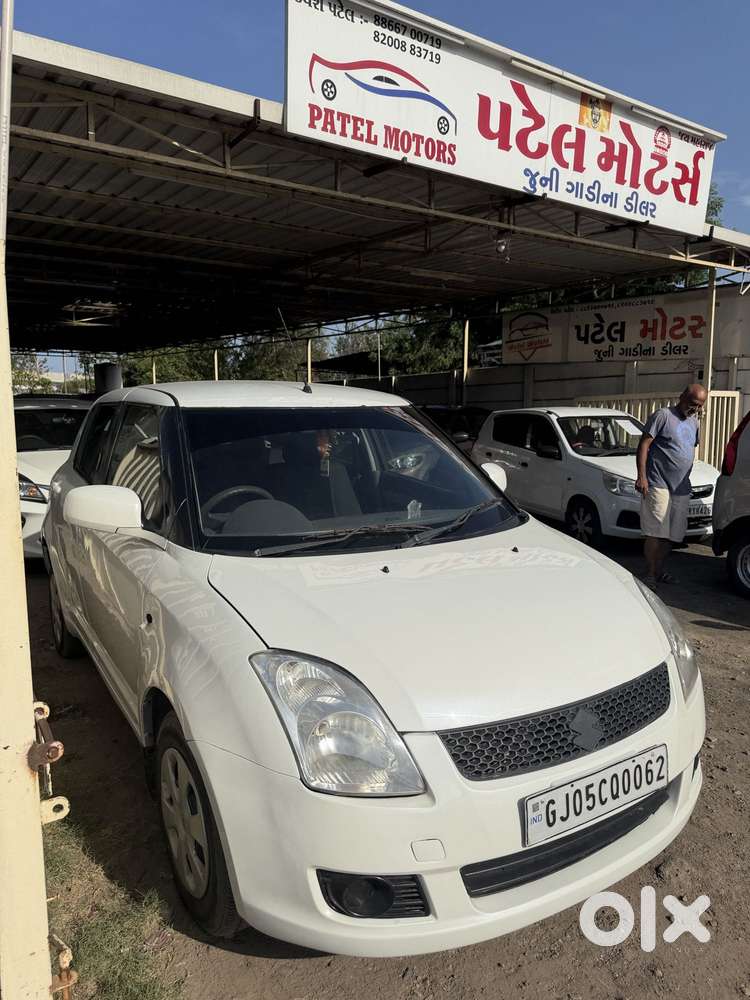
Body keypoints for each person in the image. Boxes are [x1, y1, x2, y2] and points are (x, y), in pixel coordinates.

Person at [635, 383, 707, 586]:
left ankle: (659, 571)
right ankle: (649, 574)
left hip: (681, 487)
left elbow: (688, 450)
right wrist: (642, 476)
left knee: (673, 535)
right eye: (693, 404)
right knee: (656, 531)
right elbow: (644, 445)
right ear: (682, 396)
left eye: (699, 406)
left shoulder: (694, 422)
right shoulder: (663, 416)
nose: (695, 409)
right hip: (658, 483)